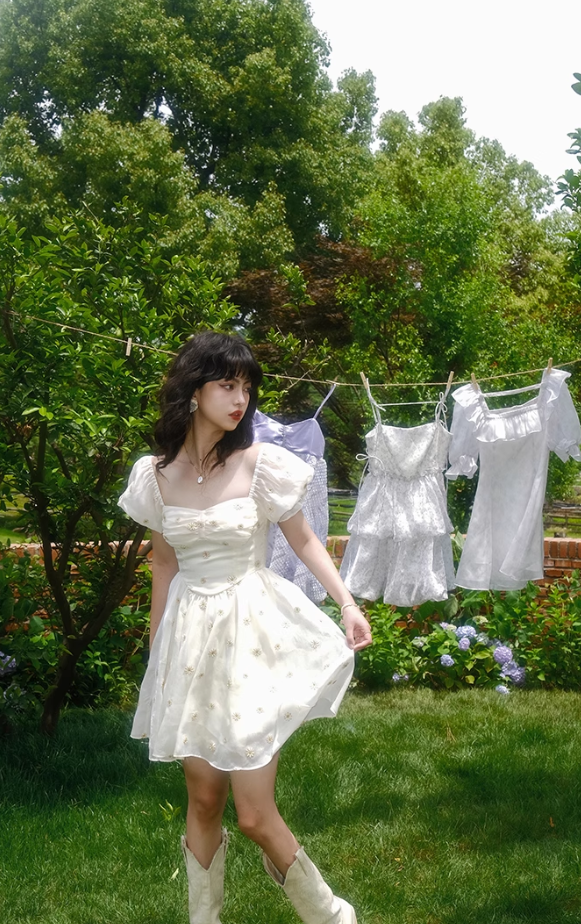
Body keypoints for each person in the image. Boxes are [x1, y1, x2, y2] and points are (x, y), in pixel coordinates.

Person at [118, 332, 372, 924]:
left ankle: (332, 915)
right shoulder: (154, 476)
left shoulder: (261, 465)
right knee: (205, 798)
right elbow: (164, 565)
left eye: (247, 388)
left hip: (251, 635)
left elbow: (303, 540)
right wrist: (158, 653)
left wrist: (347, 603)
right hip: (189, 641)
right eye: (228, 385)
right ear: (194, 390)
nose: (241, 400)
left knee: (254, 814)